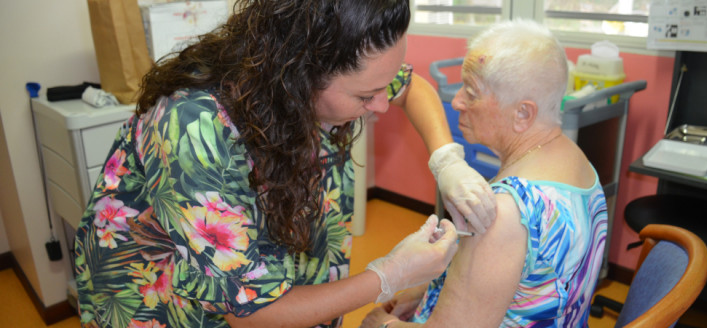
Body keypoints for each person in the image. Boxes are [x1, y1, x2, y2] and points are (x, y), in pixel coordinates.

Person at [73, 0, 496, 327]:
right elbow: (254, 311)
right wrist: (389, 275)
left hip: (278, 283)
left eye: (382, 89)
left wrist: (445, 159)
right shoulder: (193, 128)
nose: (382, 106)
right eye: (366, 97)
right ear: (298, 74)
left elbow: (410, 87)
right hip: (165, 303)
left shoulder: (311, 77)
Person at [361, 19, 608, 328]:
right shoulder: (578, 162)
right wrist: (426, 290)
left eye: (472, 91)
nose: (457, 101)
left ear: (523, 113)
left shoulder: (502, 211)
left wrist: (380, 324)